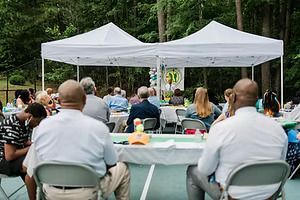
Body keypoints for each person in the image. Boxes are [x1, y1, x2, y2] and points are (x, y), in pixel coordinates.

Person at [24, 80, 130, 200]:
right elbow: (111, 162)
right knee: (122, 168)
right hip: (88, 191)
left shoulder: (43, 127)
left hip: (52, 192)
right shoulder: (98, 127)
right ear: (84, 101)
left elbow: (30, 169)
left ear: (59, 101)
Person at [186, 79, 287, 200]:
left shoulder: (220, 129)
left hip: (232, 195)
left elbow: (206, 169)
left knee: (193, 170)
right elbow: (281, 165)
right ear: (257, 100)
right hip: (269, 195)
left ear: (233, 99)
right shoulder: (279, 130)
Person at [0, 103, 47, 200]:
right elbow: (10, 155)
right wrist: (31, 148)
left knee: (37, 161)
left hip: (13, 158)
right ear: (30, 116)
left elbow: (24, 142)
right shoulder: (12, 124)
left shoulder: (23, 123)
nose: (37, 125)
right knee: (33, 165)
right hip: (3, 160)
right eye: (37, 122)